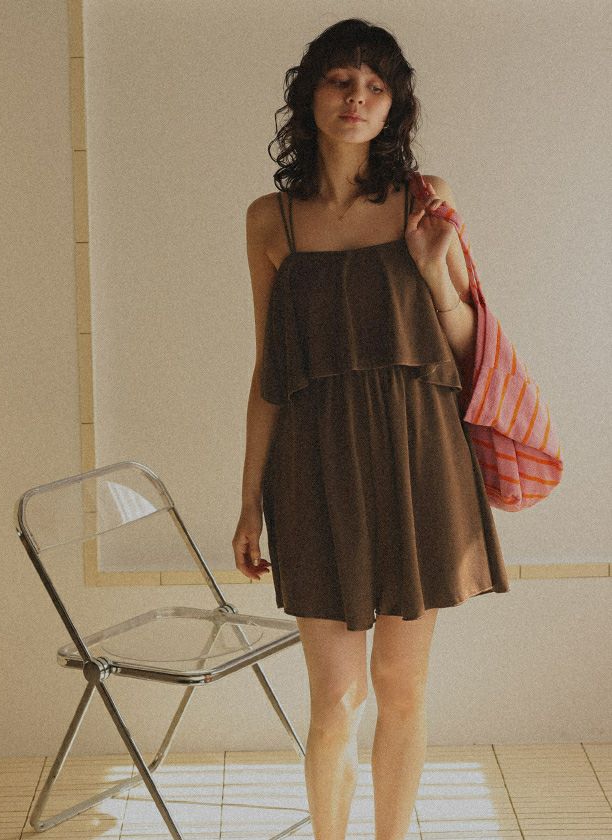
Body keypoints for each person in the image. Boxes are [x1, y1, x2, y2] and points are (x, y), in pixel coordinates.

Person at [232, 18, 509, 840]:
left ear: (394, 106)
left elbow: (471, 346)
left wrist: (433, 269)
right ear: (309, 95)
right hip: (314, 467)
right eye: (340, 80)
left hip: (419, 457)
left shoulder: (426, 199)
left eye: (376, 86)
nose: (357, 97)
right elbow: (269, 368)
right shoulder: (270, 220)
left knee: (402, 687)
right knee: (335, 699)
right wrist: (248, 502)